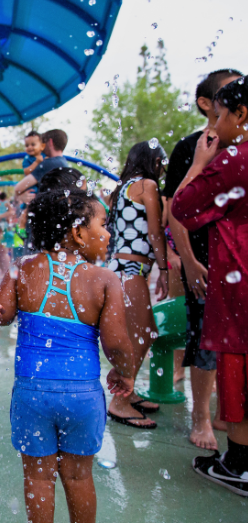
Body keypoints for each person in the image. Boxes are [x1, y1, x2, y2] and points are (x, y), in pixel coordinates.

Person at [0, 188, 135, 523]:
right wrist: (124, 371)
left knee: (38, 478)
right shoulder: (103, 279)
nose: (108, 232)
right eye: (103, 223)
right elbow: (117, 343)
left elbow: (0, 313)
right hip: (81, 396)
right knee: (79, 476)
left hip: (32, 394)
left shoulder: (22, 268)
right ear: (77, 232)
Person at [172, 77, 248, 497]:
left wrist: (200, 164)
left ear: (241, 114)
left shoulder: (234, 157)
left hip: (240, 275)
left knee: (236, 361)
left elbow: (182, 206)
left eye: (221, 116)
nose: (215, 127)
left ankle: (238, 462)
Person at [106, 141, 169, 429]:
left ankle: (127, 393)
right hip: (131, 267)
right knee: (142, 334)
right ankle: (120, 400)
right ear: (152, 161)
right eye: (160, 161)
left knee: (139, 333)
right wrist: (165, 268)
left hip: (120, 266)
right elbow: (156, 232)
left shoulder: (122, 188)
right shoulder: (146, 186)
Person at [14, 129, 69, 196]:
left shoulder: (48, 164)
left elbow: (18, 189)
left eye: (43, 142)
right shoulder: (64, 163)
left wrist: (22, 196)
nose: (42, 146)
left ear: (50, 142)